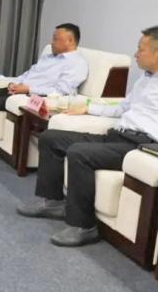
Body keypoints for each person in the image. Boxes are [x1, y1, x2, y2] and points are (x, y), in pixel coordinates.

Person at [16, 26, 158, 247]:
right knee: (51, 138)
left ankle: (84, 226)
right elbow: (122, 108)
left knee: (80, 153)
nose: (135, 54)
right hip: (118, 136)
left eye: (141, 49)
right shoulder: (145, 79)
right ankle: (53, 202)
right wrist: (88, 107)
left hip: (140, 146)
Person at [0, 23, 89, 162]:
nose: (52, 42)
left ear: (70, 41)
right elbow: (30, 73)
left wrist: (28, 89)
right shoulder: (49, 56)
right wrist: (15, 83)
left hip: (35, 96)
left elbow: (62, 91)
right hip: (21, 89)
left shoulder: (76, 63)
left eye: (56, 39)